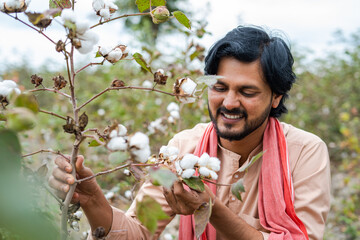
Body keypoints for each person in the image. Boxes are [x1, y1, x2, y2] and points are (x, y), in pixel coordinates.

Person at [49, 25, 331, 240]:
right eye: (219, 88)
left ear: (276, 97)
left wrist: (210, 209)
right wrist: (92, 198)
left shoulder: (305, 151)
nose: (229, 103)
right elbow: (138, 233)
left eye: (247, 92)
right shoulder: (185, 146)